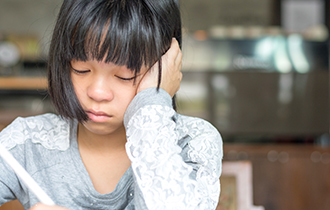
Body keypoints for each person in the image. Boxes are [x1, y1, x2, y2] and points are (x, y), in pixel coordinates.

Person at [0, 0, 223, 209]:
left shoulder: (192, 142)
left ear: (167, 68)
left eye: (125, 76)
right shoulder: (26, 142)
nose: (97, 92)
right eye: (81, 69)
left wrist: (152, 104)